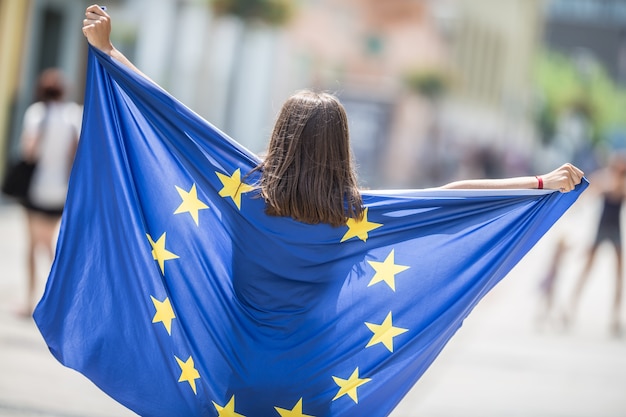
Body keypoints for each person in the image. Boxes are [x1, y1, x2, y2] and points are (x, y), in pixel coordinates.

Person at [81, 5, 583, 207]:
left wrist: (109, 53)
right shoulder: (352, 212)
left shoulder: (245, 193)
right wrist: (541, 182)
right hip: (312, 385)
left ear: (280, 135)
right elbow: (453, 192)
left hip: (232, 377)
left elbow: (172, 118)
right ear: (341, 146)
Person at [17, 68, 81, 316]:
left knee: (34, 245)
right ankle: (58, 297)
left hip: (36, 188)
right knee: (49, 243)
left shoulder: (36, 113)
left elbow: (29, 150)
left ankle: (30, 300)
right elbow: (74, 153)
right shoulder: (73, 114)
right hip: (61, 189)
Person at [566, 153, 626, 336]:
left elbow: (616, 191)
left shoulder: (619, 184)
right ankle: (571, 307)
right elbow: (592, 189)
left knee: (617, 275)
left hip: (614, 230)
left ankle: (614, 317)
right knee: (587, 269)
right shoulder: (606, 179)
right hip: (602, 228)